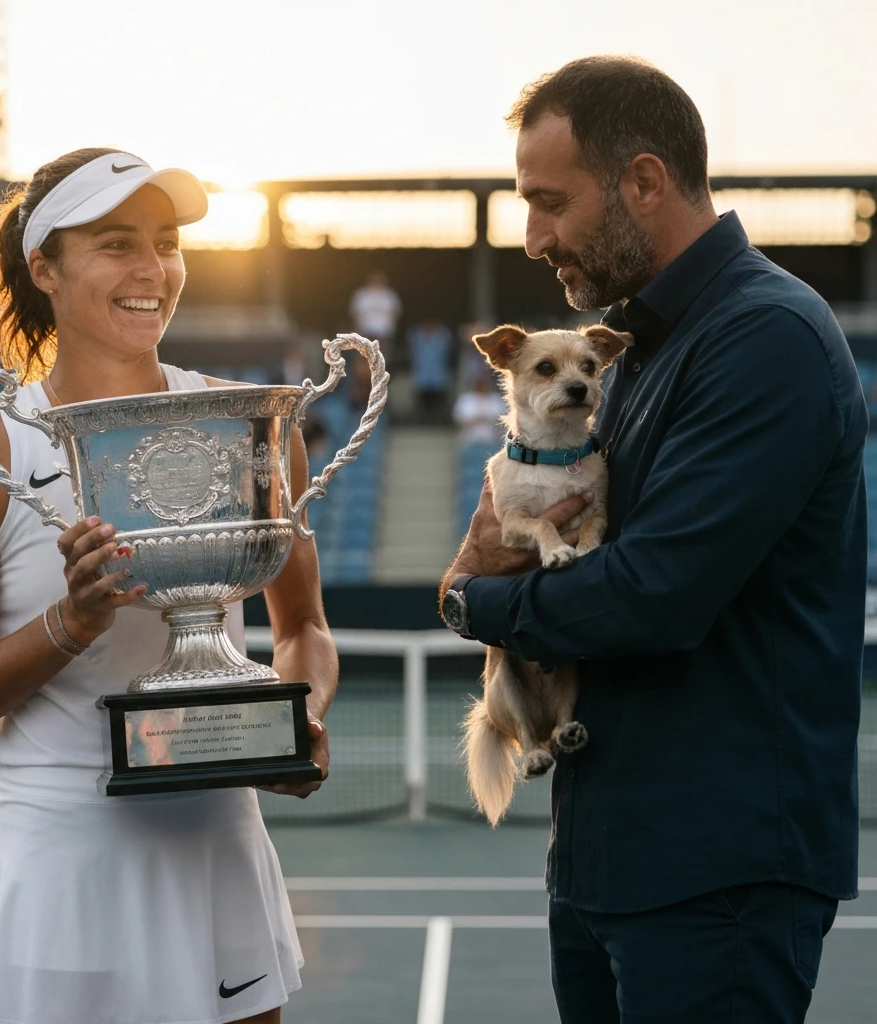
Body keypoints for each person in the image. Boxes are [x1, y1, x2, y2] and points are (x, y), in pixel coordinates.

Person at [439, 57, 865, 1023]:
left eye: (551, 202)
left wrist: (474, 599)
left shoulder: (768, 337)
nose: (535, 236)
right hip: (606, 854)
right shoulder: (630, 352)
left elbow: (653, 594)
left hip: (716, 870)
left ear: (643, 180)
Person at [0, 148, 338, 1024]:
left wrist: (298, 720)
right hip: (62, 866)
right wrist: (70, 623)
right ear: (44, 267)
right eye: (115, 244)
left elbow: (304, 628)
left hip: (216, 846)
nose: (152, 271)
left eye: (167, 243)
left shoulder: (250, 426)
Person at [406, 317, 453, 424]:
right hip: (421, 376)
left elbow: (447, 336)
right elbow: (410, 335)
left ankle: (437, 421)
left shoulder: (441, 337)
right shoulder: (418, 337)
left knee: (438, 402)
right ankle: (423, 421)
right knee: (422, 402)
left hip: (438, 376)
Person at [349, 270, 401, 346]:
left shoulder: (390, 295)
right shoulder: (361, 294)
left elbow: (396, 312)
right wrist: (358, 332)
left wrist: (391, 329)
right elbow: (355, 313)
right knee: (365, 356)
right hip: (365, 333)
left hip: (384, 333)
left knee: (383, 356)